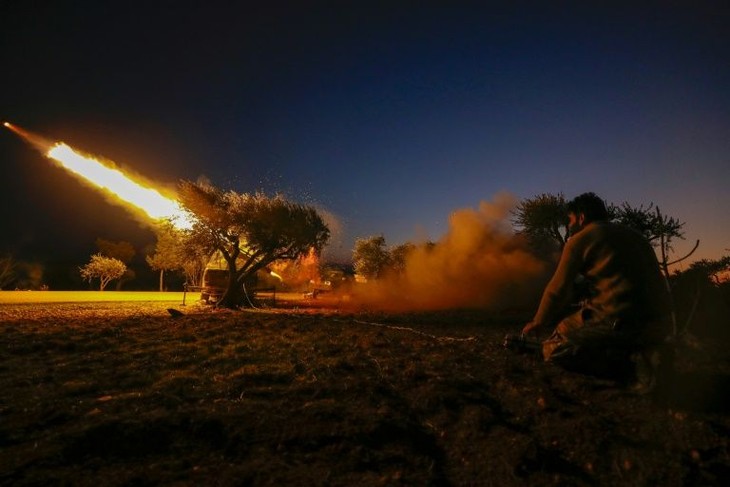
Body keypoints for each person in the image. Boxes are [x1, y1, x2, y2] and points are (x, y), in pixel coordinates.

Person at [520, 192, 674, 391]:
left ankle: (633, 366)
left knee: (554, 348)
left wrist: (538, 322)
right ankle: (650, 349)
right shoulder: (636, 235)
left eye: (570, 219)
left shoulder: (579, 240)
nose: (568, 225)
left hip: (621, 322)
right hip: (661, 323)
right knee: (580, 321)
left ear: (581, 217)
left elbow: (557, 289)